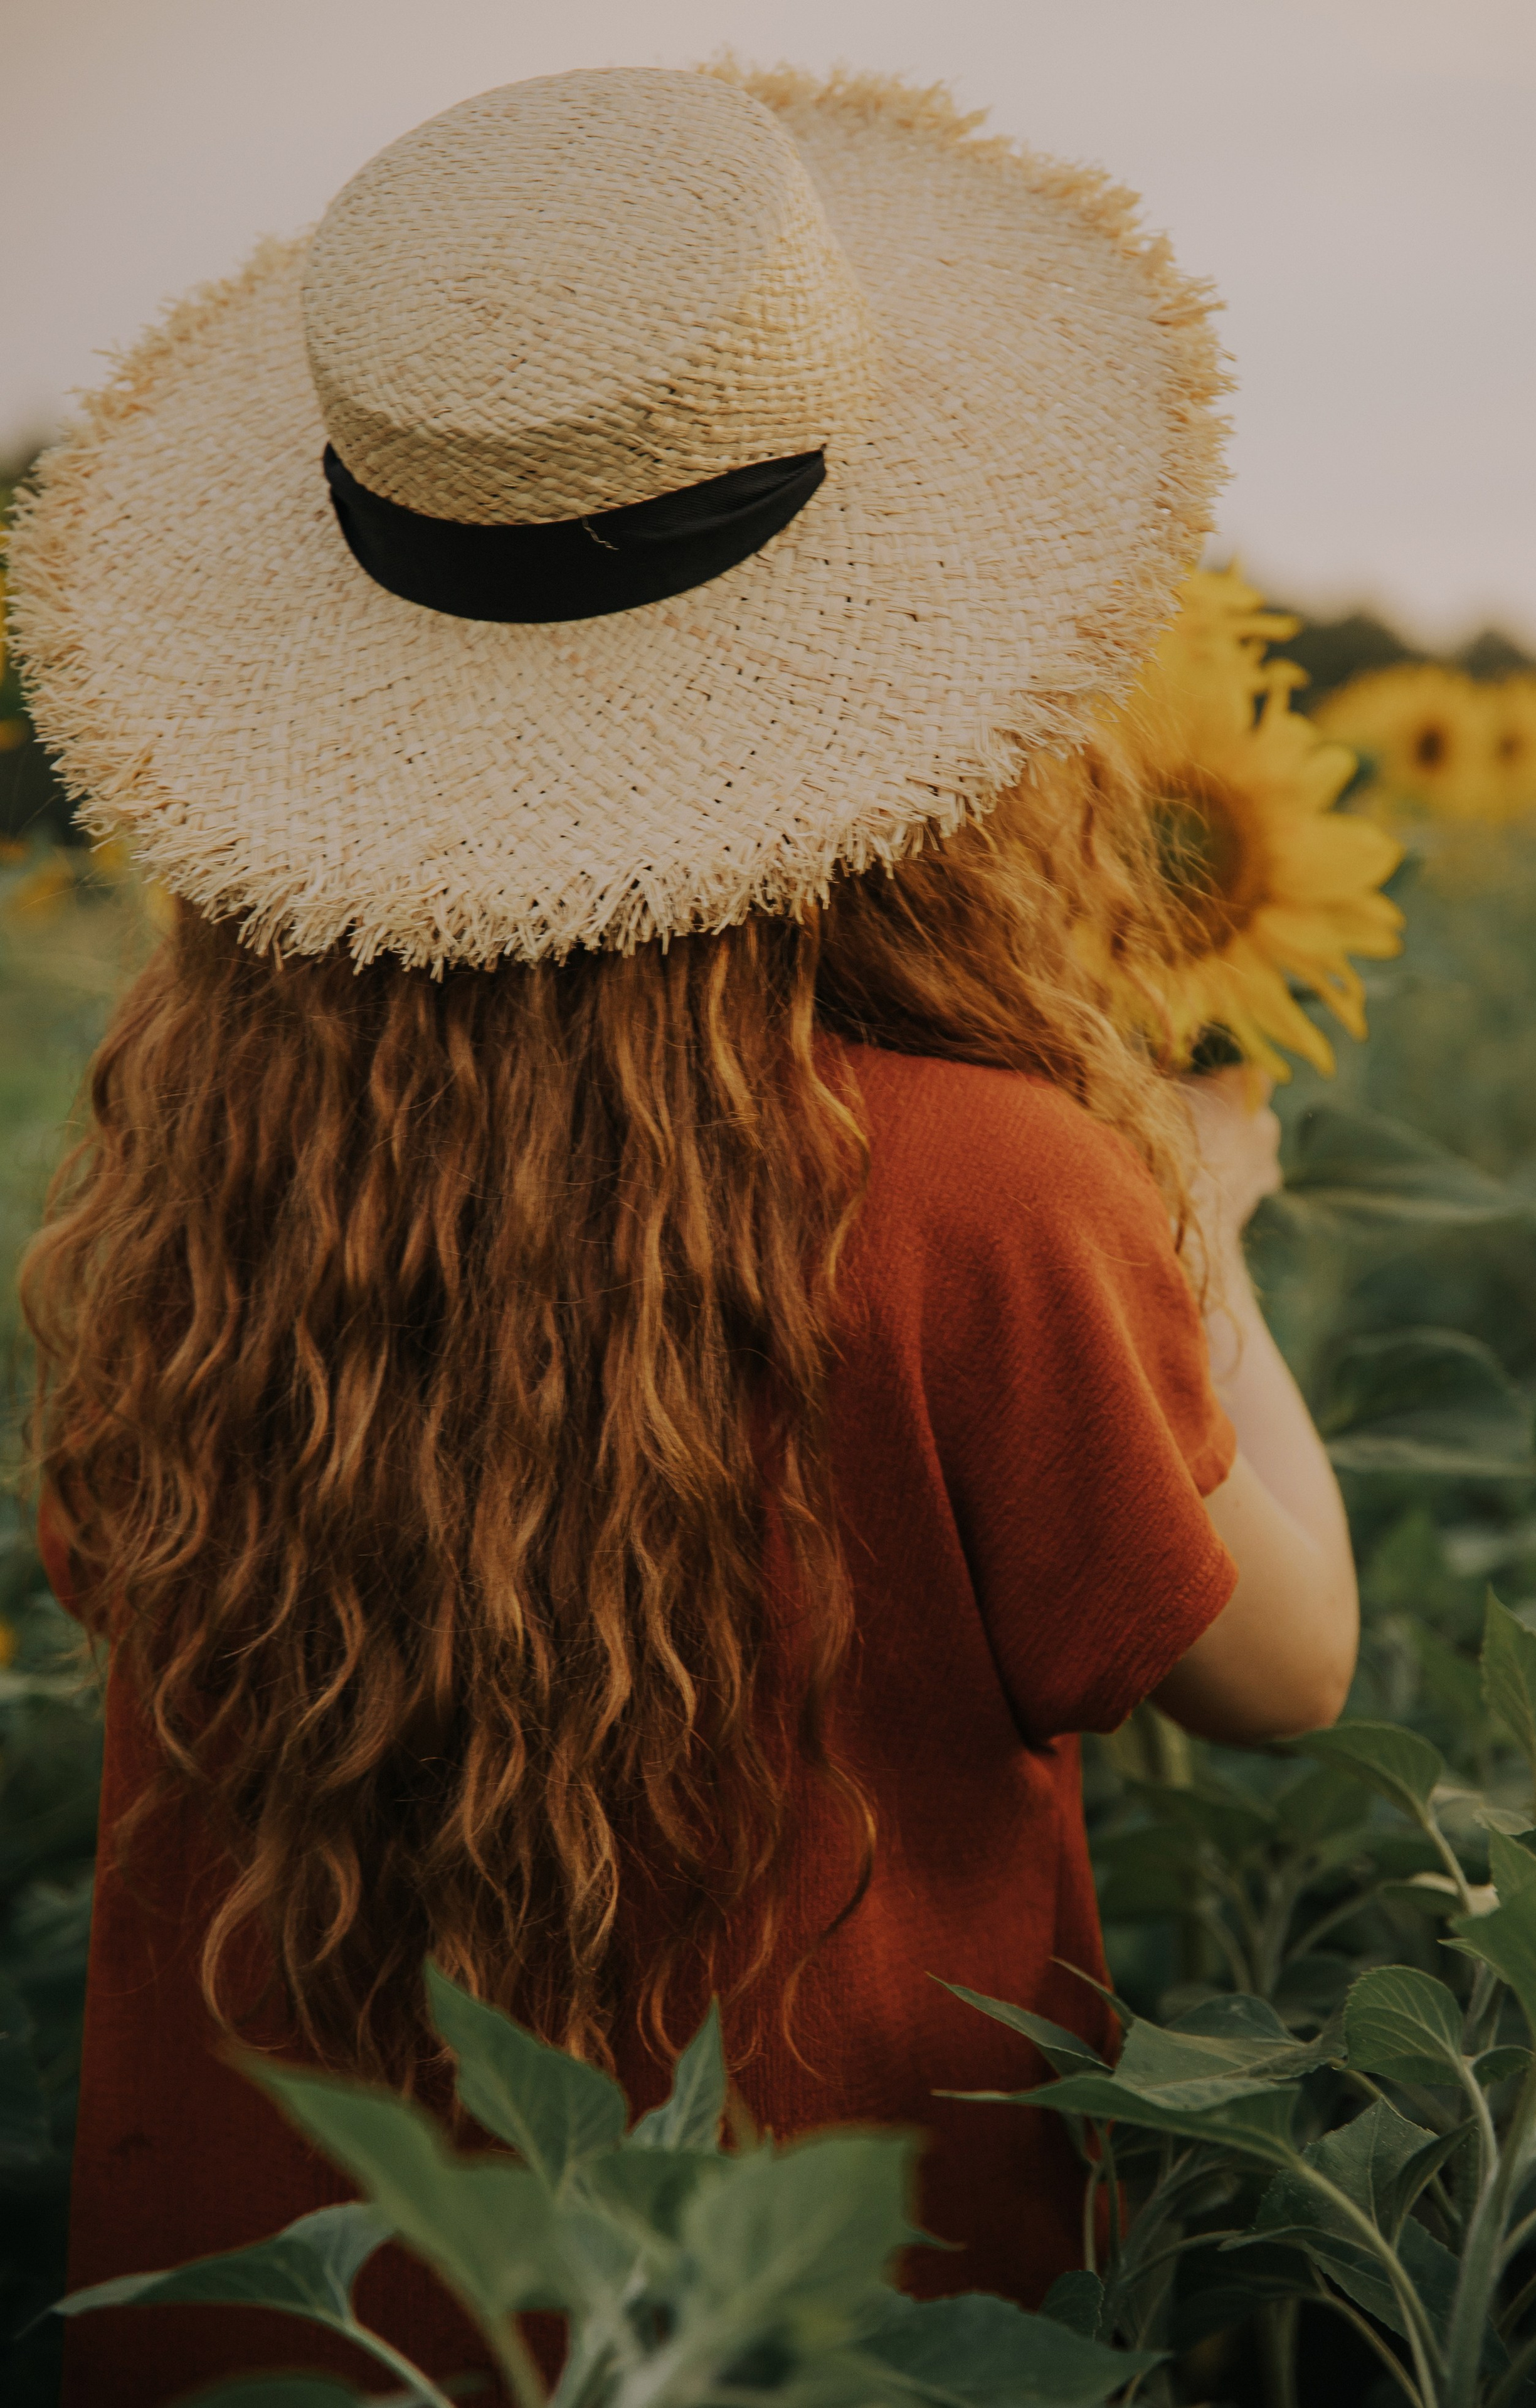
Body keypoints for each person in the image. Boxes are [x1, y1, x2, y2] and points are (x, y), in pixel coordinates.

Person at [10, 61, 1357, 2406]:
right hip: (821, 2337)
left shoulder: (200, 1184)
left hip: (277, 2343)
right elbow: (1289, 1673)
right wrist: (1205, 1218)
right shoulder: (981, 1185)